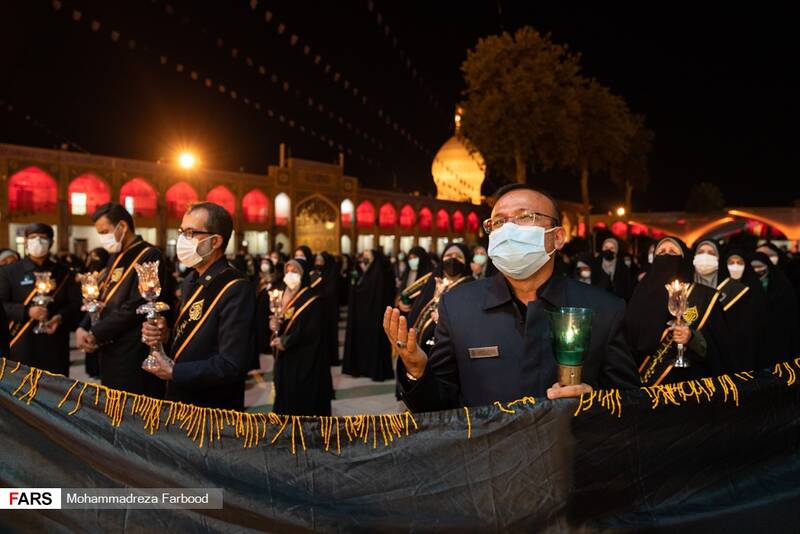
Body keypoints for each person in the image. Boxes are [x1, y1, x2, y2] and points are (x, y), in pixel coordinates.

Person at [384, 184, 640, 412]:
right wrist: (417, 372)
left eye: (525, 217)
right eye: (498, 222)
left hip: (569, 461)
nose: (507, 229)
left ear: (558, 237)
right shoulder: (459, 306)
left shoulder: (603, 310)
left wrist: (597, 405)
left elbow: (633, 407)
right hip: (486, 462)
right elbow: (439, 407)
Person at [141, 202, 256, 410]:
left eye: (191, 233)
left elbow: (232, 364)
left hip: (211, 408)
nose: (183, 240)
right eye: (182, 232)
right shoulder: (191, 280)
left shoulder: (235, 287)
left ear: (215, 241)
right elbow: (192, 337)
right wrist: (166, 335)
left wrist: (175, 372)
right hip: (180, 398)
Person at [75, 203, 167, 396]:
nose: (102, 238)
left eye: (105, 231)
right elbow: (103, 296)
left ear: (122, 226)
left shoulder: (149, 254)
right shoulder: (116, 255)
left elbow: (137, 304)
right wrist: (84, 326)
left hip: (132, 350)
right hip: (110, 345)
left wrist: (96, 332)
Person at [626, 236, 735, 386]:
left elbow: (721, 346)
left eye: (672, 251)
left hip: (690, 385)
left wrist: (692, 338)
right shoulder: (640, 292)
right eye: (662, 251)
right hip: (643, 385)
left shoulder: (704, 297)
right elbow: (627, 339)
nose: (666, 255)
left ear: (684, 259)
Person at [0, 223, 80, 375]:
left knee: (57, 392)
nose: (38, 241)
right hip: (21, 344)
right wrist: (27, 311)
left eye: (43, 238)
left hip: (55, 344)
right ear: (25, 242)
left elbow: (75, 304)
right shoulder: (9, 272)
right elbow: (2, 304)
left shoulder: (64, 272)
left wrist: (60, 317)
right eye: (32, 237)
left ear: (51, 242)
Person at [268, 258, 333, 415]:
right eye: (288, 271)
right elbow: (281, 322)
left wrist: (286, 341)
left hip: (304, 358)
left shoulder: (312, 299)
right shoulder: (283, 294)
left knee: (302, 402)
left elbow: (311, 331)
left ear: (303, 275)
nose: (290, 275)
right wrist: (274, 325)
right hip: (287, 358)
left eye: (295, 272)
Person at [343, 249, 395, 382]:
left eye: (367, 255)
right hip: (362, 314)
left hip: (375, 314)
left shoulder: (378, 272)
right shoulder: (361, 270)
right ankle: (361, 368)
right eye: (363, 255)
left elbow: (369, 289)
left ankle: (373, 369)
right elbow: (356, 288)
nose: (364, 257)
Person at [713, 249, 768, 370]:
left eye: (739, 262)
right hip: (723, 346)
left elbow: (761, 320)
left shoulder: (755, 288)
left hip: (749, 345)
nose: (735, 266)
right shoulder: (718, 287)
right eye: (731, 262)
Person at [750, 251, 799, 368]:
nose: (757, 270)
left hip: (779, 338)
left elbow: (790, 315)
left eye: (760, 266)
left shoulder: (781, 285)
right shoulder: (746, 285)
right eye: (753, 267)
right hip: (754, 340)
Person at [316, 251, 342, 366]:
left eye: (320, 260)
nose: (318, 262)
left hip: (329, 309)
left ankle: (331, 358)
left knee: (329, 333)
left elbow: (331, 291)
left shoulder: (332, 272)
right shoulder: (316, 272)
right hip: (318, 309)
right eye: (317, 259)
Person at [397, 246, 433, 313]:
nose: (412, 260)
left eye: (415, 257)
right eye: (410, 258)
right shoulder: (408, 272)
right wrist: (400, 303)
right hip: (405, 311)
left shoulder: (429, 275)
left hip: (421, 312)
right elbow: (402, 291)